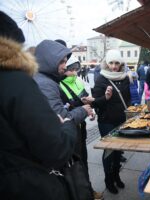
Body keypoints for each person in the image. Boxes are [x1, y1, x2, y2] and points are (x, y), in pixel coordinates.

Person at [0, 11, 77, 199]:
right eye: (62, 61)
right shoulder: (16, 81)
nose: (65, 66)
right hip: (27, 186)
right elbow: (56, 149)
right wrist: (68, 124)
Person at [85, 49, 131, 194]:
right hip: (106, 121)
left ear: (121, 63)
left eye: (117, 63)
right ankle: (108, 180)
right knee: (109, 150)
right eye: (111, 62)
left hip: (122, 119)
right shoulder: (101, 78)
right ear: (106, 63)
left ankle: (116, 175)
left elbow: (128, 97)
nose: (114, 66)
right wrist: (105, 97)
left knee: (118, 151)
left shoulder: (124, 77)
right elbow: (94, 103)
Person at [59, 55, 103, 199]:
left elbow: (86, 100)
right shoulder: (57, 86)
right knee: (74, 164)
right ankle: (80, 192)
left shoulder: (78, 82)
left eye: (75, 69)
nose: (74, 72)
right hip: (70, 129)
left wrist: (90, 111)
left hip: (81, 127)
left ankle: (88, 189)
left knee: (83, 159)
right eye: (70, 70)